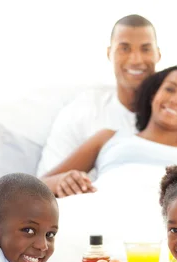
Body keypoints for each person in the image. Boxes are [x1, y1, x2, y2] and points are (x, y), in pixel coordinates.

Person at [41, 65, 177, 198]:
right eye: (169, 89)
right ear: (153, 95)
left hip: (173, 231)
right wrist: (60, 181)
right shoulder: (108, 137)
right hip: (102, 219)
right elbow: (37, 186)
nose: (176, 100)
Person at [36, 14, 161, 178]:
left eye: (145, 49)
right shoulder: (83, 112)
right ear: (109, 53)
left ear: (158, 54)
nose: (136, 59)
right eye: (124, 48)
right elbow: (46, 185)